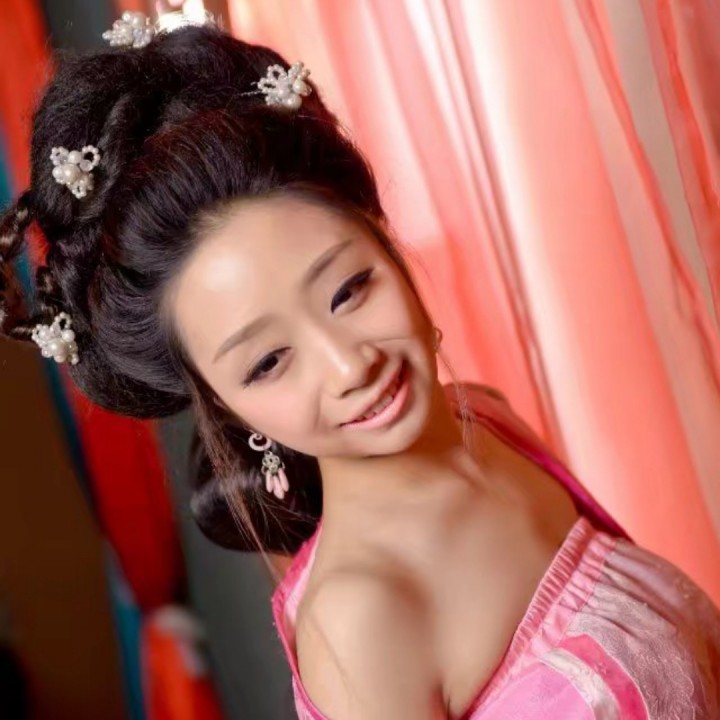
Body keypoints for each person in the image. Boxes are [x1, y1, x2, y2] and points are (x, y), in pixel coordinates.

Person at [1, 13, 718, 720]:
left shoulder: (482, 420)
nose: (350, 366)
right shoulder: (363, 623)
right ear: (223, 403)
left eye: (348, 290)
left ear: (382, 236)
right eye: (268, 362)